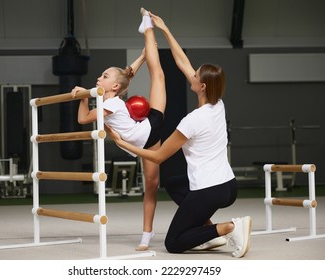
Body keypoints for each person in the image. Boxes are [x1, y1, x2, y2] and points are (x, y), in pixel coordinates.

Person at [105, 10, 252, 258]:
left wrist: (122, 142)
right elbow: (182, 60)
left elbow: (158, 156)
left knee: (174, 242)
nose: (190, 75)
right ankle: (207, 231)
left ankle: (229, 227)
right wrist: (165, 29)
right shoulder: (218, 104)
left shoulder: (192, 121)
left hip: (209, 189)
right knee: (174, 184)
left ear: (201, 86)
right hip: (228, 185)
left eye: (195, 76)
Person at [71, 8, 166, 251]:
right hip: (146, 137)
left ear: (112, 86)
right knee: (151, 184)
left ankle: (147, 27)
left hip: (150, 128)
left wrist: (84, 96)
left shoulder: (111, 103)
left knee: (158, 77)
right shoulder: (109, 99)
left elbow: (83, 118)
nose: (98, 78)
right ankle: (146, 35)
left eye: (103, 76)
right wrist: (85, 95)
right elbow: (125, 76)